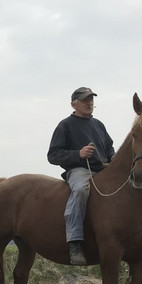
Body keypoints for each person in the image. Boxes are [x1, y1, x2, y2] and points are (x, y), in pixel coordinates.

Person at [48, 87, 115, 266]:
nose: (89, 103)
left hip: (103, 170)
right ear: (74, 104)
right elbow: (53, 155)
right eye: (85, 99)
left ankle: (136, 244)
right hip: (80, 170)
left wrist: (114, 160)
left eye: (91, 99)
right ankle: (75, 242)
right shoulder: (65, 125)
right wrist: (78, 154)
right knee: (80, 189)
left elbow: (109, 148)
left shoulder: (99, 125)